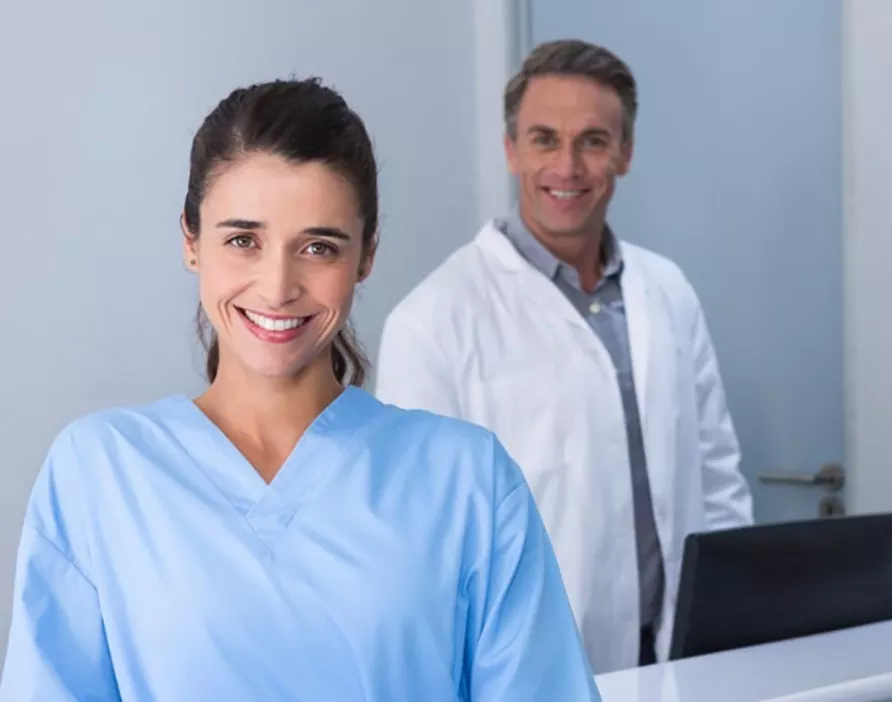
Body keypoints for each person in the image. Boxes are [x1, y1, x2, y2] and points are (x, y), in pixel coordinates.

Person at [0, 78, 599, 700]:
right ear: (190, 241)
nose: (278, 286)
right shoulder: (99, 473)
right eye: (242, 240)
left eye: (318, 247)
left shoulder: (470, 481)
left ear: (365, 256)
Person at [376, 39, 753, 672]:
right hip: (525, 665)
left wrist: (730, 623)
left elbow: (717, 481)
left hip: (683, 655)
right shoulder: (432, 320)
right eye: (545, 139)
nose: (568, 166)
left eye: (594, 141)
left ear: (625, 153)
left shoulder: (668, 292)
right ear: (511, 149)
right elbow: (421, 543)